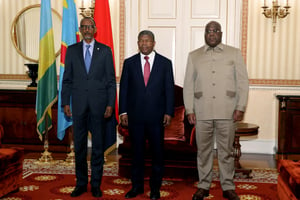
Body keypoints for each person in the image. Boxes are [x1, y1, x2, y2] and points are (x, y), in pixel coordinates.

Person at [183, 21, 249, 200]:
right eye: (208, 31)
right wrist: (190, 109)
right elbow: (188, 86)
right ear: (205, 34)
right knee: (203, 151)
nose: (211, 34)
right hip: (202, 112)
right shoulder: (194, 56)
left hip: (227, 111)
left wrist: (240, 107)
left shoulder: (233, 53)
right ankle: (203, 185)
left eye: (215, 31)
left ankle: (228, 186)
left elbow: (243, 82)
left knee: (225, 151)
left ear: (221, 33)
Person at [61, 17, 116, 198]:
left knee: (98, 148)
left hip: (99, 106)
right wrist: (65, 102)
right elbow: (67, 79)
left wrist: (110, 104)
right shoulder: (72, 51)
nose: (86, 30)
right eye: (83, 27)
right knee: (80, 148)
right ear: (80, 29)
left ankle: (96, 185)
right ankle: (81, 183)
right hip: (78, 106)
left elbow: (110, 81)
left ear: (95, 29)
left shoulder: (105, 51)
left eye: (90, 27)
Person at [119, 30, 174, 200]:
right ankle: (136, 187)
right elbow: (124, 89)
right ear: (138, 43)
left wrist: (168, 112)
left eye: (147, 41)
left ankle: (155, 188)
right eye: (141, 41)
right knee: (137, 154)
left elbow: (169, 90)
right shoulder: (129, 63)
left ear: (153, 43)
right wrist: (123, 111)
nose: (144, 44)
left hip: (157, 118)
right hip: (135, 117)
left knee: (157, 154)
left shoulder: (165, 63)